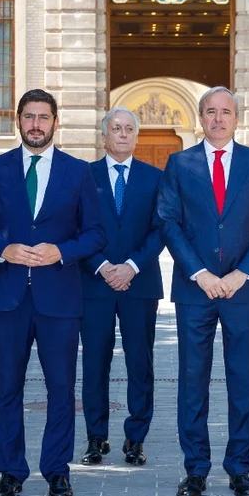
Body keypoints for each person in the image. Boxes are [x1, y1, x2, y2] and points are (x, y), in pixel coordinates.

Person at [0, 89, 106, 496]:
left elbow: (95, 233)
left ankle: (57, 470)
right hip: (7, 298)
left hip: (59, 297)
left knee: (61, 388)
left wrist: (61, 251)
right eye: (29, 117)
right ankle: (11, 471)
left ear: (55, 122)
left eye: (44, 117)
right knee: (8, 385)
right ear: (18, 120)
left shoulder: (78, 172)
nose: (36, 124)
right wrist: (0, 249)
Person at [156, 86, 249, 496]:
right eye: (210, 112)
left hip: (242, 292)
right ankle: (195, 469)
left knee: (242, 380)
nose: (218, 119)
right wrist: (200, 274)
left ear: (236, 118)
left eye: (225, 112)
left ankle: (239, 468)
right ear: (201, 117)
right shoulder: (180, 163)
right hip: (196, 292)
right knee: (192, 381)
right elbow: (169, 222)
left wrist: (242, 273)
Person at [79, 108, 164, 466]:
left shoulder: (155, 178)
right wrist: (101, 265)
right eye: (116, 128)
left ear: (136, 136)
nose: (124, 134)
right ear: (104, 136)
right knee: (95, 363)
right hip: (94, 285)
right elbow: (75, 227)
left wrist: (130, 266)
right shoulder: (83, 176)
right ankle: (96, 438)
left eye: (130, 129)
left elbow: (161, 229)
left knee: (139, 364)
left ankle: (135, 439)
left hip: (139, 284)